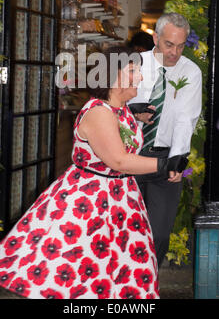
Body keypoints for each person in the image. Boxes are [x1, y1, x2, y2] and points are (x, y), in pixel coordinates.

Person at [0, 45, 187, 299]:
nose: (141, 77)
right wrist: (165, 165)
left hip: (120, 200)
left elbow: (119, 140)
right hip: (90, 205)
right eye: (134, 71)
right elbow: (118, 161)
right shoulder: (99, 112)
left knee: (116, 271)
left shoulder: (118, 109)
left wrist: (133, 113)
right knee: (85, 273)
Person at [129, 13, 202, 267]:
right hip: (129, 157)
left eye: (181, 46)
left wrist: (178, 159)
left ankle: (147, 283)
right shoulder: (133, 63)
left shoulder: (190, 72)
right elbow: (110, 101)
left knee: (158, 234)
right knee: (126, 230)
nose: (175, 52)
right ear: (156, 38)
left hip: (166, 158)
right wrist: (130, 110)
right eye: (169, 44)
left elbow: (186, 118)